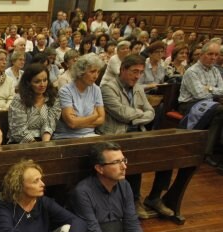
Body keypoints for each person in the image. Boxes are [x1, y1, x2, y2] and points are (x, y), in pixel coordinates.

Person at [100, 54, 175, 219]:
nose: (137, 76)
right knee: (135, 155)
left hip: (137, 132)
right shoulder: (108, 87)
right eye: (134, 71)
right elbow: (121, 115)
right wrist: (141, 114)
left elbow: (151, 112)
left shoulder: (138, 88)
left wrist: (138, 114)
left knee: (168, 155)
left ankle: (154, 197)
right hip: (117, 135)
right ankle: (134, 199)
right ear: (122, 70)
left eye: (140, 72)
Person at [178, 41, 223, 170]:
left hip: (211, 103)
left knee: (218, 115)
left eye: (216, 55)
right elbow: (199, 94)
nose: (213, 57)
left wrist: (209, 88)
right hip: (189, 104)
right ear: (201, 55)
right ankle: (207, 152)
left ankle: (208, 151)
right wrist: (213, 91)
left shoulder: (215, 70)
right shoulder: (192, 71)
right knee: (220, 110)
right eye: (210, 54)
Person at [54, 53, 105, 139]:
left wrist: (80, 122)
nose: (96, 76)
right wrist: (94, 116)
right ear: (80, 72)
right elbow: (72, 123)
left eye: (98, 72)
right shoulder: (66, 91)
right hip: (67, 137)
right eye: (92, 72)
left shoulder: (96, 89)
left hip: (90, 136)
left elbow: (101, 119)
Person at [8, 63, 61, 143]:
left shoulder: (53, 97)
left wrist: (44, 145)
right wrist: (37, 147)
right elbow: (19, 130)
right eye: (37, 81)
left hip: (45, 139)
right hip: (21, 142)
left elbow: (50, 124)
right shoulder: (19, 99)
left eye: (45, 80)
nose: (42, 85)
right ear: (28, 83)